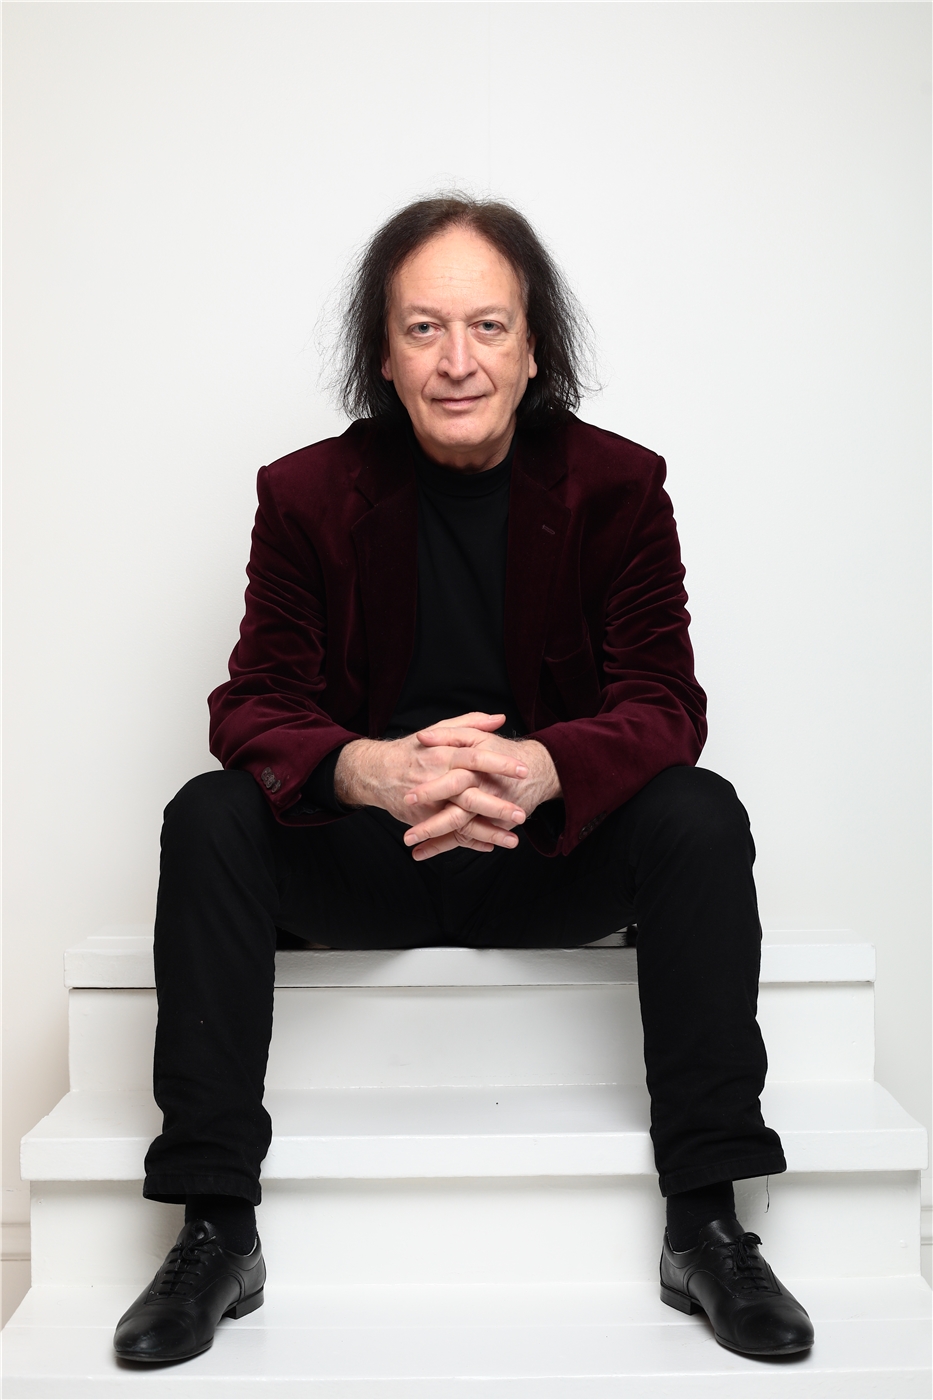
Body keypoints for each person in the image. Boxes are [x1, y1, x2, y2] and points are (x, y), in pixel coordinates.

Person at [113, 195, 814, 1365]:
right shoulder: (303, 495)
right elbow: (252, 703)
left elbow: (666, 703)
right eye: (424, 328)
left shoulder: (620, 487)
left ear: (534, 346)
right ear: (383, 354)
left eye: (488, 326)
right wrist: (366, 768)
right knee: (211, 813)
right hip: (371, 857)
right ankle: (214, 1226)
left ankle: (707, 1221)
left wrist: (545, 766)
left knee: (700, 811)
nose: (457, 360)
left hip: (543, 857)